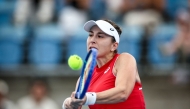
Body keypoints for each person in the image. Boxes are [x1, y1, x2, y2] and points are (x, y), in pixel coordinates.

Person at [62, 19, 146, 109]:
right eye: (90, 35)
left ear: (114, 46)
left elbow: (123, 93)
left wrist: (88, 98)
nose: (92, 40)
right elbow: (77, 104)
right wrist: (68, 104)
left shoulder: (124, 59)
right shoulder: (86, 75)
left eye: (100, 36)